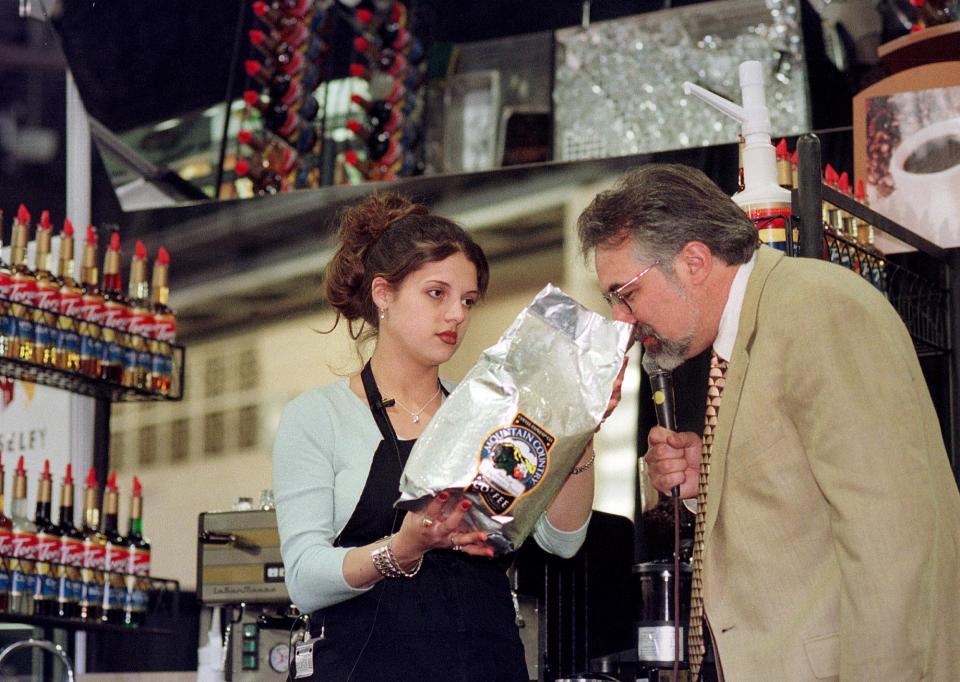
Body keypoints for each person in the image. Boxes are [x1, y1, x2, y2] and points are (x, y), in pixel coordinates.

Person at [577, 163, 960, 681]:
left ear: (693, 260)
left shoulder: (816, 308)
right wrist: (702, 482)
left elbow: (893, 539)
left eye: (627, 293)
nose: (622, 318)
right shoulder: (742, 334)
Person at [273, 192, 602, 682]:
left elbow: (562, 540)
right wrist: (401, 549)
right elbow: (305, 579)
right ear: (383, 294)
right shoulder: (319, 417)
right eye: (437, 293)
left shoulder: (487, 415)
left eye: (467, 301)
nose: (456, 316)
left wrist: (579, 431)